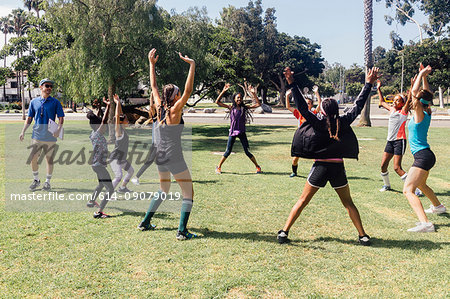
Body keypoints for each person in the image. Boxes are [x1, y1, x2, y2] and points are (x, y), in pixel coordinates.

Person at [277, 67, 381, 246]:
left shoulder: (318, 122)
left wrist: (292, 83)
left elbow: (302, 107)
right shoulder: (344, 121)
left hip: (320, 168)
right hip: (337, 168)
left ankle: (284, 232)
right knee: (348, 203)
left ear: (323, 111)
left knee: (302, 201)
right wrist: (368, 84)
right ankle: (363, 236)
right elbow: (358, 105)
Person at [138, 48, 196, 240]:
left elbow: (153, 86)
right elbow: (189, 90)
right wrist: (192, 65)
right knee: (188, 191)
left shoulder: (159, 107)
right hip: (173, 156)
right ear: (176, 96)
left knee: (163, 189)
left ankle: (145, 222)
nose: (181, 95)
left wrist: (151, 65)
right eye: (179, 93)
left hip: (160, 156)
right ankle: (182, 231)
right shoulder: (175, 110)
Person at [403, 64, 446, 232]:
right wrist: (425, 78)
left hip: (423, 156)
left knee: (408, 190)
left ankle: (426, 224)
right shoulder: (427, 111)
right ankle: (438, 206)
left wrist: (421, 73)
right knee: (421, 184)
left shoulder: (420, 112)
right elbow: (424, 94)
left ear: (419, 102)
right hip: (426, 155)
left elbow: (414, 93)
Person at [19, 78, 65, 191]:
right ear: (41, 87)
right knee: (33, 158)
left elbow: (61, 117)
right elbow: (29, 118)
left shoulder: (55, 102)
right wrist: (23, 131)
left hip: (50, 136)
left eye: (51, 86)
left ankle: (47, 182)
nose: (49, 88)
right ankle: (36, 180)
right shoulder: (34, 102)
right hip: (36, 135)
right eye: (47, 86)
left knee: (49, 160)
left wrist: (58, 129)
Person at [214, 83, 262, 174]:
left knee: (247, 152)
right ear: (234, 99)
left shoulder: (244, 108)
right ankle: (218, 167)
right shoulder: (231, 107)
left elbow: (258, 104)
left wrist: (253, 94)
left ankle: (257, 167)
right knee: (228, 151)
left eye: (240, 98)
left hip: (242, 132)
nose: (239, 99)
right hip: (232, 132)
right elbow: (217, 102)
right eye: (237, 98)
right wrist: (223, 91)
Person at [377, 79, 412, 192]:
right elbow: (382, 102)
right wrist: (378, 88)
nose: (394, 102)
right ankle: (387, 185)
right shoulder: (392, 110)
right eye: (394, 100)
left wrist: (412, 87)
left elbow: (409, 99)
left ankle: (415, 189)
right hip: (390, 141)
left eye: (398, 101)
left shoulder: (403, 112)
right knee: (383, 166)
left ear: (402, 103)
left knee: (397, 168)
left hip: (399, 141)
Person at [285, 86, 322, 177]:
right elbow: (288, 107)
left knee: (316, 158)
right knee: (295, 159)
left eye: (309, 103)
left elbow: (320, 104)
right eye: (306, 103)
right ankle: (294, 172)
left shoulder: (313, 113)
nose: (307, 105)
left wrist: (316, 93)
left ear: (311, 105)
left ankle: (319, 174)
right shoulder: (299, 113)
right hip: (301, 138)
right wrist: (287, 96)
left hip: (311, 138)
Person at [86, 99, 114, 218]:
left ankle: (91, 201)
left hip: (95, 164)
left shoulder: (93, 133)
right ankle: (99, 212)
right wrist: (107, 107)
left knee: (101, 184)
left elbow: (98, 120)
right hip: (99, 165)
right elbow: (103, 120)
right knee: (110, 189)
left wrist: (99, 109)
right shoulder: (98, 133)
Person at [131, 94, 158, 186]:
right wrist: (151, 96)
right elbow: (151, 106)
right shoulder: (155, 117)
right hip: (157, 144)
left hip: (160, 144)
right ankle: (136, 177)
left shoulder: (161, 118)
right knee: (150, 161)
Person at [109, 94, 134, 193]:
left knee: (131, 171)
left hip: (122, 158)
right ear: (121, 122)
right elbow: (117, 116)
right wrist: (117, 103)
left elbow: (120, 114)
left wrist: (118, 103)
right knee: (118, 176)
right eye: (126, 120)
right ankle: (108, 193)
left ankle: (122, 188)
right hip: (115, 158)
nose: (128, 121)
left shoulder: (123, 130)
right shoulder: (118, 132)